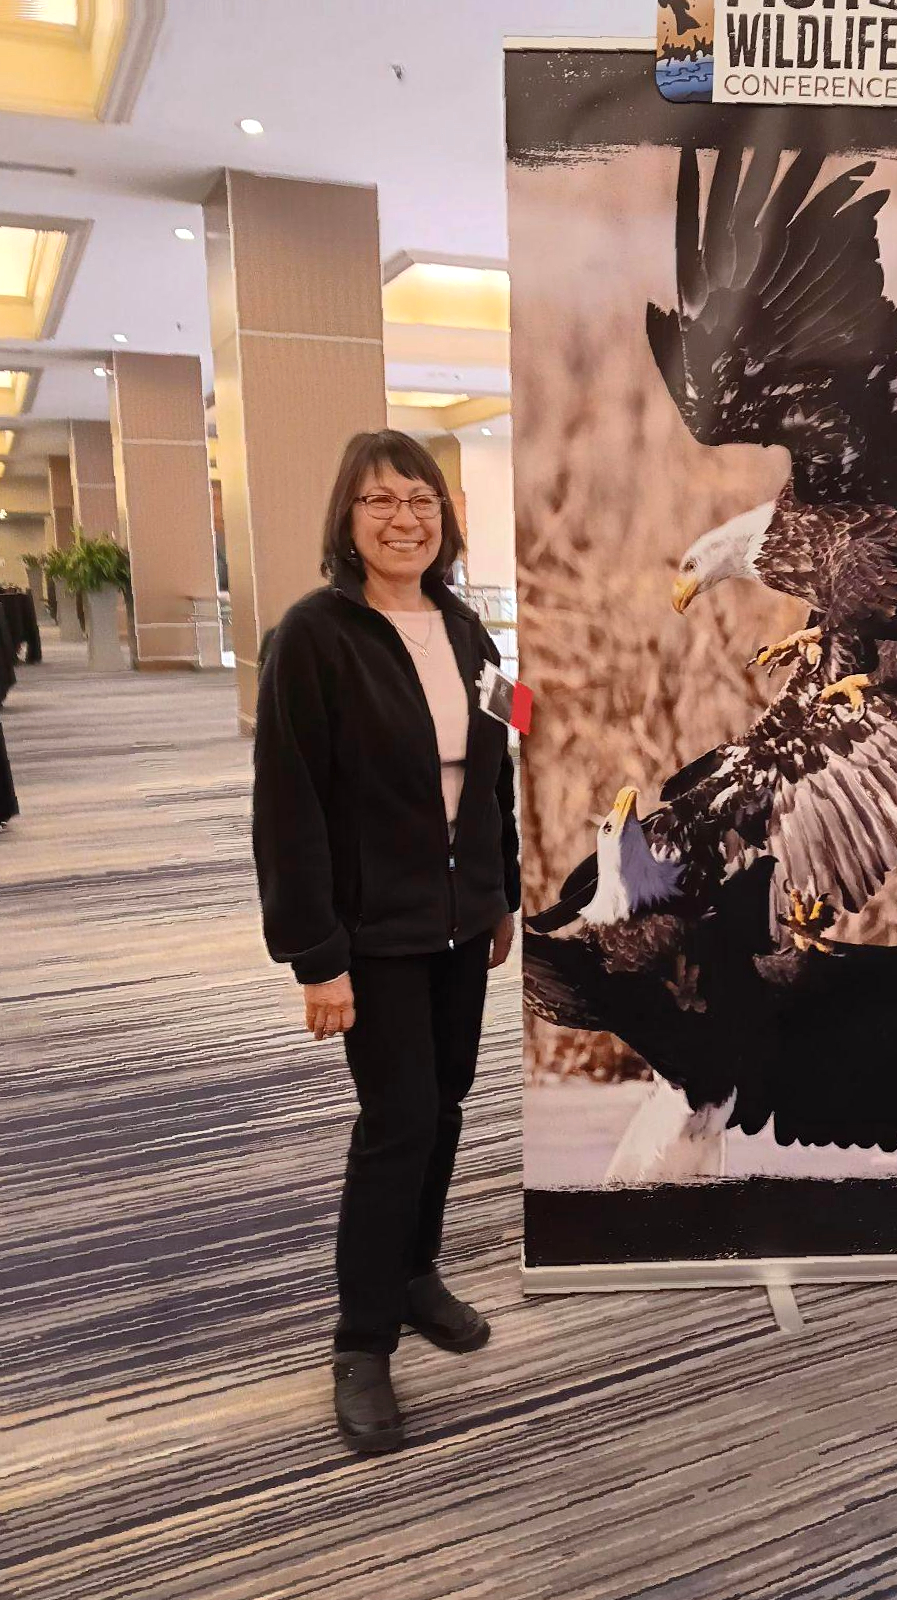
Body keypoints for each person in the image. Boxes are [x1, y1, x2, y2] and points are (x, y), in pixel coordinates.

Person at [252, 430, 519, 1454]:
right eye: (380, 502)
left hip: (460, 922)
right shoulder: (314, 636)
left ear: (446, 520)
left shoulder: (469, 633)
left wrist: (502, 893)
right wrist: (315, 954)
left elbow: (492, 774)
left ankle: (416, 1274)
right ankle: (361, 1339)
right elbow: (290, 805)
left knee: (444, 1104)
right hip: (372, 932)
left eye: (421, 501)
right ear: (348, 520)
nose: (404, 519)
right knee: (398, 1120)